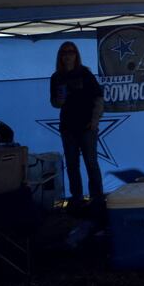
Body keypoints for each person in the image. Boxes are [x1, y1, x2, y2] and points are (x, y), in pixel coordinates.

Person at [50, 42, 104, 207]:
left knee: (91, 162)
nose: (67, 55)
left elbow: (99, 97)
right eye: (64, 52)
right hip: (67, 127)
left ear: (76, 55)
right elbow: (54, 102)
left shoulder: (85, 73)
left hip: (87, 126)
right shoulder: (56, 77)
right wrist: (59, 100)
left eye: (71, 52)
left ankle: (97, 198)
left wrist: (95, 120)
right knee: (72, 164)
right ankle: (77, 198)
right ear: (60, 56)